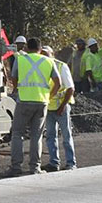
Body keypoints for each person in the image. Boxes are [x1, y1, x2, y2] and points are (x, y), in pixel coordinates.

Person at [7, 36, 60, 176]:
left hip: (24, 101)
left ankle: (16, 167)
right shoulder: (49, 61)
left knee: (17, 134)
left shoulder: (20, 59)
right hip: (41, 102)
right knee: (36, 136)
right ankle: (35, 168)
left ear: (26, 48)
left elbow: (13, 77)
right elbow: (58, 82)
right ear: (40, 49)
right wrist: (49, 96)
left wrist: (19, 88)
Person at [45, 48, 76, 172]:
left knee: (66, 136)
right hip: (48, 107)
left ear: (52, 54)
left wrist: (62, 106)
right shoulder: (43, 67)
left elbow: (70, 88)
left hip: (61, 107)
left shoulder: (61, 66)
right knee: (50, 136)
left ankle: (71, 162)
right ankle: (54, 163)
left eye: (46, 55)